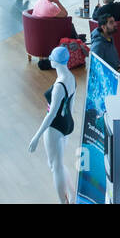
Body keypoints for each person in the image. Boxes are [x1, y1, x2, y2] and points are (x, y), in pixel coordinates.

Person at [28, 46, 76, 204]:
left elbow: (51, 115)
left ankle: (63, 201)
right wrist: (68, 130)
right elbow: (71, 106)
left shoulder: (58, 86)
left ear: (55, 62)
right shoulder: (70, 77)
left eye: (51, 58)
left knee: (55, 167)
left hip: (55, 127)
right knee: (59, 164)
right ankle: (72, 194)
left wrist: (36, 137)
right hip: (66, 122)